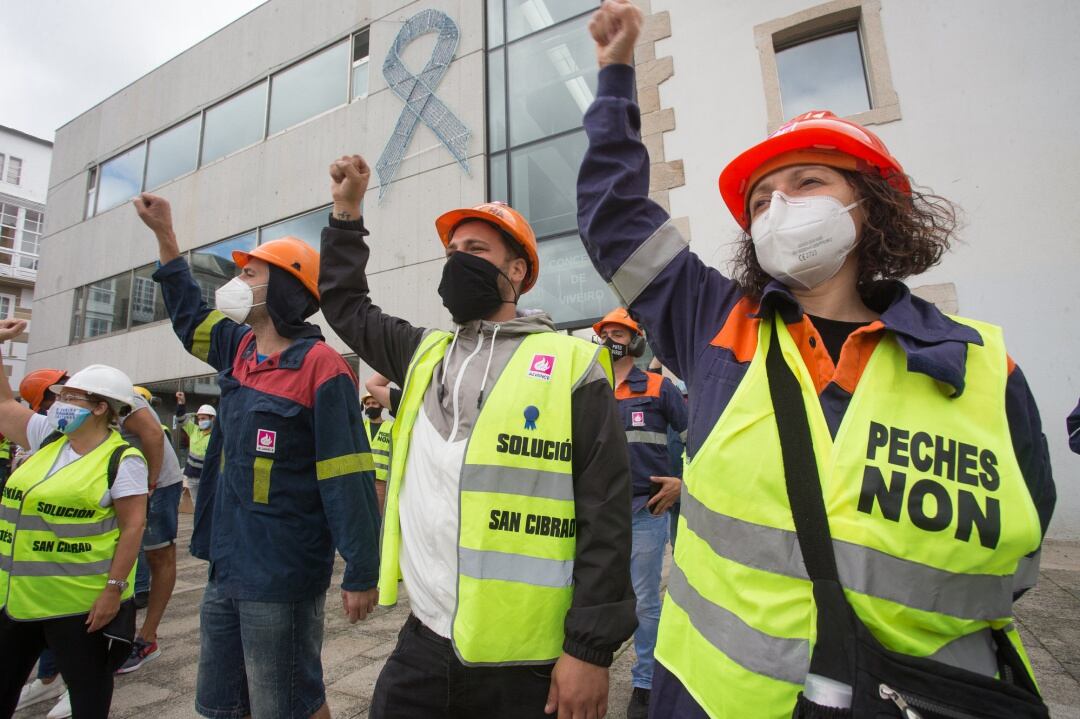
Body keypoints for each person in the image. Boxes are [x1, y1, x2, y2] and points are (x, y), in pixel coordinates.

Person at [577, 2, 1057, 716]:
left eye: (807, 184)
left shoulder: (983, 368)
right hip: (719, 700)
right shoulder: (714, 321)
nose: (778, 208)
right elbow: (616, 219)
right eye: (763, 198)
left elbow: (1014, 559)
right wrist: (616, 73)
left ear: (870, 208)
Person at [319, 153, 636, 719]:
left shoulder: (574, 365)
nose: (456, 262)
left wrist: (589, 651)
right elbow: (345, 306)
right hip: (427, 639)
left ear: (516, 271)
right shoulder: (425, 355)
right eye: (451, 253)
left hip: (525, 660)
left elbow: (606, 517)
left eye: (475, 251)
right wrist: (346, 212)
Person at [134, 192, 381, 719]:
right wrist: (165, 237)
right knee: (219, 705)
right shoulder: (237, 349)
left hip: (282, 572)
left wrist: (362, 569)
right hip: (227, 565)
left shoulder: (322, 368)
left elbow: (348, 477)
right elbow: (187, 315)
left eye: (251, 275)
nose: (236, 284)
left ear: (285, 289)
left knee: (288, 703)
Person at [0, 328, 148, 719]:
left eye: (69, 398)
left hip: (78, 605)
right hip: (15, 598)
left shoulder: (122, 459)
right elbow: (2, 402)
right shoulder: (47, 438)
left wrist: (113, 592)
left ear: (100, 407)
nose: (57, 404)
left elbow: (133, 527)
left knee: (87, 697)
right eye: (59, 397)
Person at [593, 307, 686, 719]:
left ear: (634, 339)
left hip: (645, 510)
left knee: (645, 601)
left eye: (619, 331)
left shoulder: (657, 387)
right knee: (589, 596)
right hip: (596, 513)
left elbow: (698, 436)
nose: (611, 337)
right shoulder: (588, 387)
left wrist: (684, 482)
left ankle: (646, 681)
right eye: (605, 331)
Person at [11, 368, 73, 718]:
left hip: (77, 562)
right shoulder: (44, 429)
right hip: (35, 556)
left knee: (73, 626)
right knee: (43, 619)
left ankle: (74, 686)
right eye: (62, 394)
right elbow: (4, 404)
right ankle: (49, 679)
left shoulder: (113, 449)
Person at [116, 385, 186, 673]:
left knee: (158, 554)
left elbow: (155, 435)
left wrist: (151, 484)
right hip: (122, 485)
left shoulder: (120, 400)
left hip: (155, 485)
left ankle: (147, 638)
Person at [173, 391, 215, 506]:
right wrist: (181, 403)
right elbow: (180, 418)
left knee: (208, 505)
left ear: (212, 419)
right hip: (192, 477)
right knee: (197, 505)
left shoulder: (217, 437)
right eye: (199, 419)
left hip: (207, 478)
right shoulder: (194, 430)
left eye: (204, 418)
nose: (201, 421)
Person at [361, 392, 393, 513]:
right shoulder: (361, 427)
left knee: (378, 517)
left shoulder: (391, 427)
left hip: (381, 482)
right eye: (368, 404)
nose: (370, 406)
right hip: (363, 480)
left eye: (374, 403)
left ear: (382, 405)